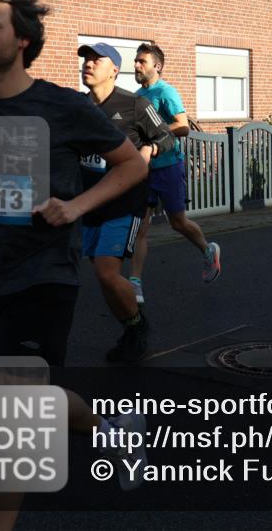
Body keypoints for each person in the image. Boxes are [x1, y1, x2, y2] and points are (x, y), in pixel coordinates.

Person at [0, 0, 148, 529]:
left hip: (45, 275)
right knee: (34, 394)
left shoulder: (62, 107)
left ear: (22, 39)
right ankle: (110, 429)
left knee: (7, 407)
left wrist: (75, 207)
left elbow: (133, 164)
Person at [78, 42, 174, 363]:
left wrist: (148, 151)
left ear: (114, 70)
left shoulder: (134, 104)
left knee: (107, 271)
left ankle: (138, 328)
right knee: (102, 275)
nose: (88, 64)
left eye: (96, 60)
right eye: (85, 60)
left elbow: (166, 136)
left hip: (126, 201)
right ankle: (130, 326)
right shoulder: (78, 108)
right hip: (90, 202)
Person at [129, 43, 221, 305]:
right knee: (140, 227)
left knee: (177, 222)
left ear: (156, 66)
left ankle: (207, 250)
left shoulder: (166, 92)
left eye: (141, 61)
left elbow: (182, 126)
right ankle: (135, 283)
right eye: (135, 61)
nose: (136, 65)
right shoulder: (136, 96)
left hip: (169, 166)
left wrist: (155, 135)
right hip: (144, 170)